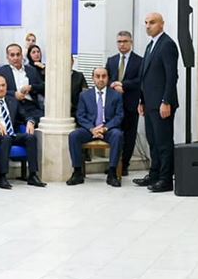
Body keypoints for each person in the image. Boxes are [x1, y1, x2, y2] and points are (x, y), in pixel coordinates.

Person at [0, 72, 46, 189]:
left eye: (3, 85)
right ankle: (2, 177)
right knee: (6, 138)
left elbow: (25, 115)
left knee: (30, 137)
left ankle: (33, 175)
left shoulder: (12, 100)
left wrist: (30, 121)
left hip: (12, 133)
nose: (1, 88)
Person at [137, 12, 179, 193]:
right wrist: (142, 100)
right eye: (146, 23)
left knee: (163, 143)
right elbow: (145, 76)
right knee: (153, 141)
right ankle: (154, 174)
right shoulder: (150, 45)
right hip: (149, 104)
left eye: (152, 22)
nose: (148, 26)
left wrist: (166, 101)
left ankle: (165, 179)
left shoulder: (167, 44)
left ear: (162, 24)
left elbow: (172, 76)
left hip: (162, 104)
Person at [69, 67, 125, 187]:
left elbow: (119, 116)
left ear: (108, 78)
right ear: (93, 78)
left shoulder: (116, 95)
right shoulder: (84, 95)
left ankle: (112, 173)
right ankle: (77, 172)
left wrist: (105, 128)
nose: (100, 79)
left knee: (118, 135)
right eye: (97, 76)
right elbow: (80, 116)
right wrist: (92, 129)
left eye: (104, 76)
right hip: (90, 129)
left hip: (108, 129)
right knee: (74, 136)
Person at [105, 29, 143, 178]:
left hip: (130, 103)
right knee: (115, 134)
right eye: (119, 42)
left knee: (129, 136)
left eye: (125, 41)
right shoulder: (111, 60)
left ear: (131, 42)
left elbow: (140, 80)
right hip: (114, 105)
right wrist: (113, 85)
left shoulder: (139, 61)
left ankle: (125, 165)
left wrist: (123, 85)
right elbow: (106, 78)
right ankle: (113, 164)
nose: (122, 44)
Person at [0, 43, 44, 116]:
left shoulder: (32, 70)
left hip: (31, 106)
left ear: (22, 56)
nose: (16, 58)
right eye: (12, 55)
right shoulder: (1, 71)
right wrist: (14, 94)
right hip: (12, 107)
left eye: (18, 54)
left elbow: (43, 86)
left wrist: (31, 87)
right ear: (7, 57)